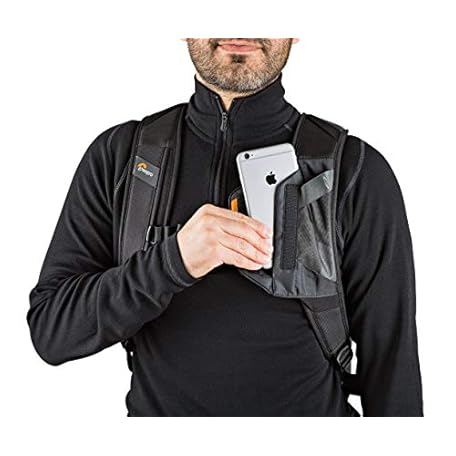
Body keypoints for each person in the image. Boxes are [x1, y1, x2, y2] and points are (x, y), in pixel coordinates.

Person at [27, 38, 424, 416]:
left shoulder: (355, 172)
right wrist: (172, 262)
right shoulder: (121, 157)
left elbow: (394, 369)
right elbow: (52, 332)